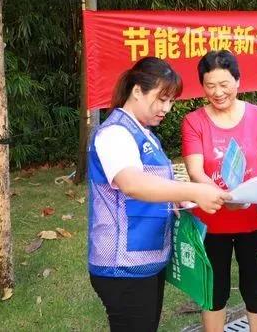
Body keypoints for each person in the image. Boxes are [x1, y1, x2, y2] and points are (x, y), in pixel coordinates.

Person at [87, 56, 230, 332]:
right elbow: (131, 183)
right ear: (137, 90)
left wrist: (177, 199)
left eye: (171, 101)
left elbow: (154, 183)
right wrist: (193, 189)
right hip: (121, 267)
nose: (166, 108)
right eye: (161, 99)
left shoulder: (146, 134)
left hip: (145, 260)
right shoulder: (115, 133)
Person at [182, 50, 257, 332]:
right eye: (210, 85)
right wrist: (222, 198)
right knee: (214, 292)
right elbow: (195, 172)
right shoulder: (194, 121)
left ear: (238, 81)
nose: (217, 92)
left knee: (256, 288)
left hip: (254, 222)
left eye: (224, 84)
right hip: (212, 221)